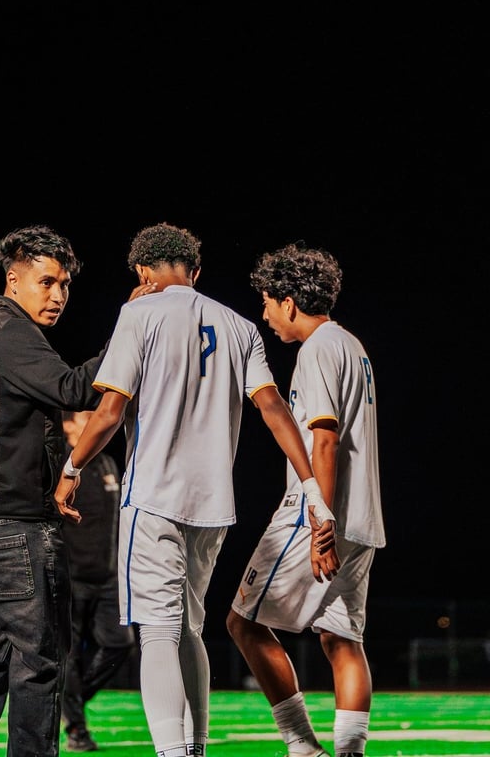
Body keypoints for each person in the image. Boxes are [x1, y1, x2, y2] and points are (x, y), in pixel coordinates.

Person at [54, 223, 337, 757]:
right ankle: (196, 747)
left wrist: (71, 468)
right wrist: (313, 489)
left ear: (142, 270)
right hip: (213, 506)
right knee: (190, 630)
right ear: (196, 271)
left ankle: (172, 752)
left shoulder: (138, 313)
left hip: (153, 496)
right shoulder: (240, 326)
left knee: (159, 633)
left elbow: (109, 411)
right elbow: (274, 409)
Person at [0, 224, 156, 757]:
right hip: (5, 525)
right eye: (47, 282)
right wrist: (130, 326)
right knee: (38, 662)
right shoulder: (11, 332)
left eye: (65, 285)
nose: (58, 295)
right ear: (13, 280)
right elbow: (76, 389)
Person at [226, 241, 386, 757]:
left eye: (267, 304)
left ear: (288, 301)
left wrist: (320, 523)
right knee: (342, 640)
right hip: (363, 517)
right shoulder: (352, 344)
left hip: (317, 514)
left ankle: (303, 746)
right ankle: (350, 753)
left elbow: (325, 439)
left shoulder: (316, 349)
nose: (266, 316)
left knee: (243, 623)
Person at [60, 410, 136, 752]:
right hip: (71, 577)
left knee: (121, 644)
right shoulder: (59, 462)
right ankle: (76, 728)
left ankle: (69, 700)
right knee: (69, 655)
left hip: (108, 577)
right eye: (85, 416)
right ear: (68, 425)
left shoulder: (106, 461)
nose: (94, 419)